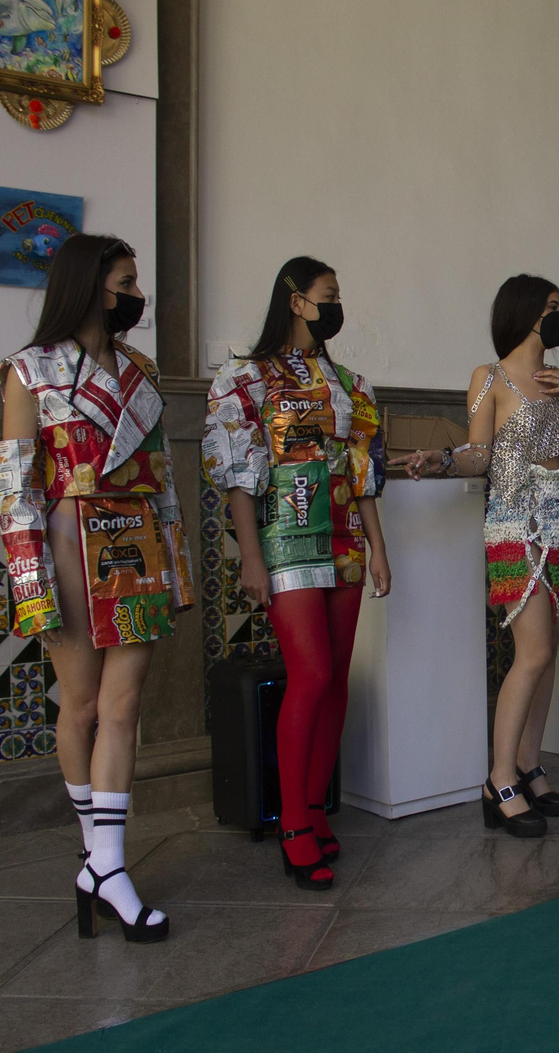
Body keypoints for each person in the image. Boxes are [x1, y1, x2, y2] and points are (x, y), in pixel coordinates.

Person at [0, 234, 194, 942]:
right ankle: (97, 856)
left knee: (124, 701)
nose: (137, 294)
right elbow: (15, 490)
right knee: (79, 706)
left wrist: (178, 566)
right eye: (127, 280)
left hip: (135, 536)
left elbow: (164, 475)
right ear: (90, 285)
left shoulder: (142, 369)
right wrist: (30, 584)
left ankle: (107, 863)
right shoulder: (29, 370)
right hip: (68, 537)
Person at [203, 257, 391, 889]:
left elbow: (362, 471)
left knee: (337, 676)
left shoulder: (350, 382)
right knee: (308, 675)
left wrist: (379, 548)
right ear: (295, 300)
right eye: (328, 295)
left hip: (343, 538)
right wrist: (249, 555)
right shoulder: (244, 377)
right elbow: (236, 471)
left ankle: (314, 804)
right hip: (285, 538)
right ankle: (290, 823)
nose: (337, 305)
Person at [393, 275, 559, 835]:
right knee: (530, 653)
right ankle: (498, 778)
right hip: (516, 523)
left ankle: (530, 763)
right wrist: (444, 459)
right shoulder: (492, 376)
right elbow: (480, 453)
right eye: (552, 307)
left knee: (548, 650)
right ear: (527, 313)